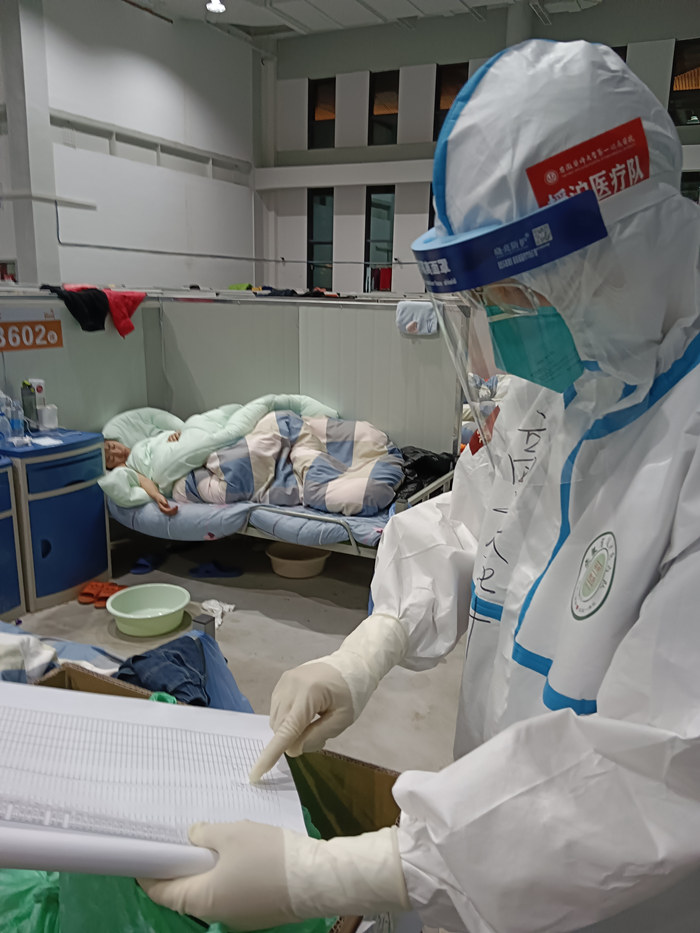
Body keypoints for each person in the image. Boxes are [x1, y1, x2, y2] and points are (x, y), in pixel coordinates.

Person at [141, 40, 700, 933]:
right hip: (486, 858)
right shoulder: (571, 381)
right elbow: (477, 526)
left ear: (614, 249)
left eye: (514, 294)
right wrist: (364, 651)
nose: (502, 329)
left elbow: (654, 777)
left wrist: (337, 875)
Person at [104, 432, 181, 516]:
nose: (119, 452)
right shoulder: (127, 467)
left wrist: (173, 436)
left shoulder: (141, 445)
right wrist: (157, 496)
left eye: (113, 446)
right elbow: (143, 481)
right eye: (112, 459)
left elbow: (160, 440)